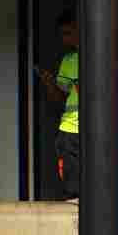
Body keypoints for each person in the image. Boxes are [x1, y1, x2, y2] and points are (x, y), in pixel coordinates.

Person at [38, 10, 79, 199]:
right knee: (72, 180)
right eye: (62, 34)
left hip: (74, 129)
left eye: (68, 33)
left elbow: (61, 97)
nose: (64, 39)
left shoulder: (75, 59)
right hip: (70, 127)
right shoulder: (69, 59)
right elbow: (61, 97)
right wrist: (49, 82)